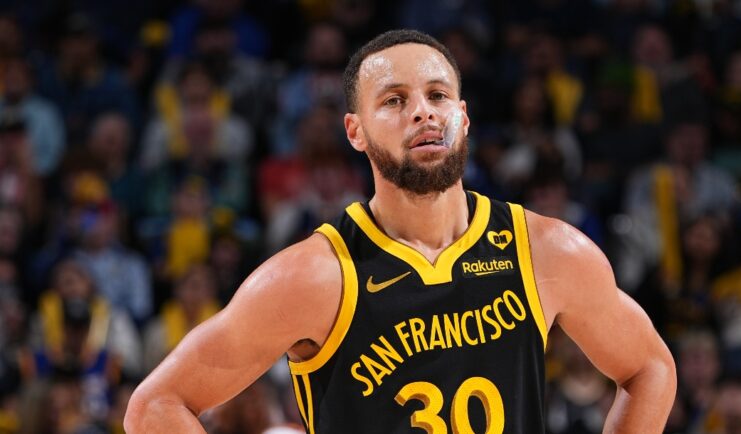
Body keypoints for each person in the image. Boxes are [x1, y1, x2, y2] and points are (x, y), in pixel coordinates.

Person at [125, 29, 676, 433]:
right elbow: (155, 407)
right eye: (394, 101)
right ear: (355, 132)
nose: (423, 112)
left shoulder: (546, 251)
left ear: (463, 116)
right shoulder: (314, 277)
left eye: (438, 96)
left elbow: (650, 367)